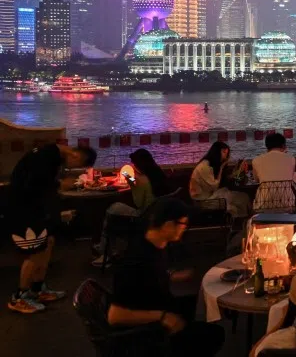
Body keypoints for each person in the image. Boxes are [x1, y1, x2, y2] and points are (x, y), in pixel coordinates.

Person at [107, 198, 224, 357]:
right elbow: (115, 316)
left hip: (158, 310)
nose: (185, 228)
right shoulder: (135, 261)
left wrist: (171, 276)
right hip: (145, 336)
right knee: (214, 334)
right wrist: (163, 317)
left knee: (199, 304)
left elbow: (147, 280)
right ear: (169, 225)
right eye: (183, 224)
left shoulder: (155, 245)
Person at [8, 144, 97, 314]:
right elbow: (32, 186)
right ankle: (19, 297)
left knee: (47, 244)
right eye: (75, 164)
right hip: (24, 211)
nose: (70, 168)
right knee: (34, 253)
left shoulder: (52, 157)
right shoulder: (45, 157)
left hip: (38, 211)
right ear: (75, 155)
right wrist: (61, 185)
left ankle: (37, 289)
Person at [93, 149, 171, 266]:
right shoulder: (157, 175)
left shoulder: (142, 180)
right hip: (157, 215)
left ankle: (105, 251)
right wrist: (132, 181)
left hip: (143, 216)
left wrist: (132, 184)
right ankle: (106, 247)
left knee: (112, 211)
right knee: (115, 208)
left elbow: (139, 203)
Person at [189, 142, 250, 217]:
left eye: (227, 153)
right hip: (205, 201)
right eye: (224, 152)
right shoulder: (204, 167)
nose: (226, 156)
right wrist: (221, 168)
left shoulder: (209, 165)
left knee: (243, 197)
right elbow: (215, 185)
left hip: (211, 197)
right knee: (241, 199)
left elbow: (221, 181)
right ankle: (242, 222)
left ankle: (243, 222)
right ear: (216, 152)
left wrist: (237, 171)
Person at [252, 133, 296, 212]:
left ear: (267, 146)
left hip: (263, 205)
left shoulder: (256, 160)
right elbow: (291, 175)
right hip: (287, 204)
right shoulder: (291, 159)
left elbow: (257, 180)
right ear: (283, 145)